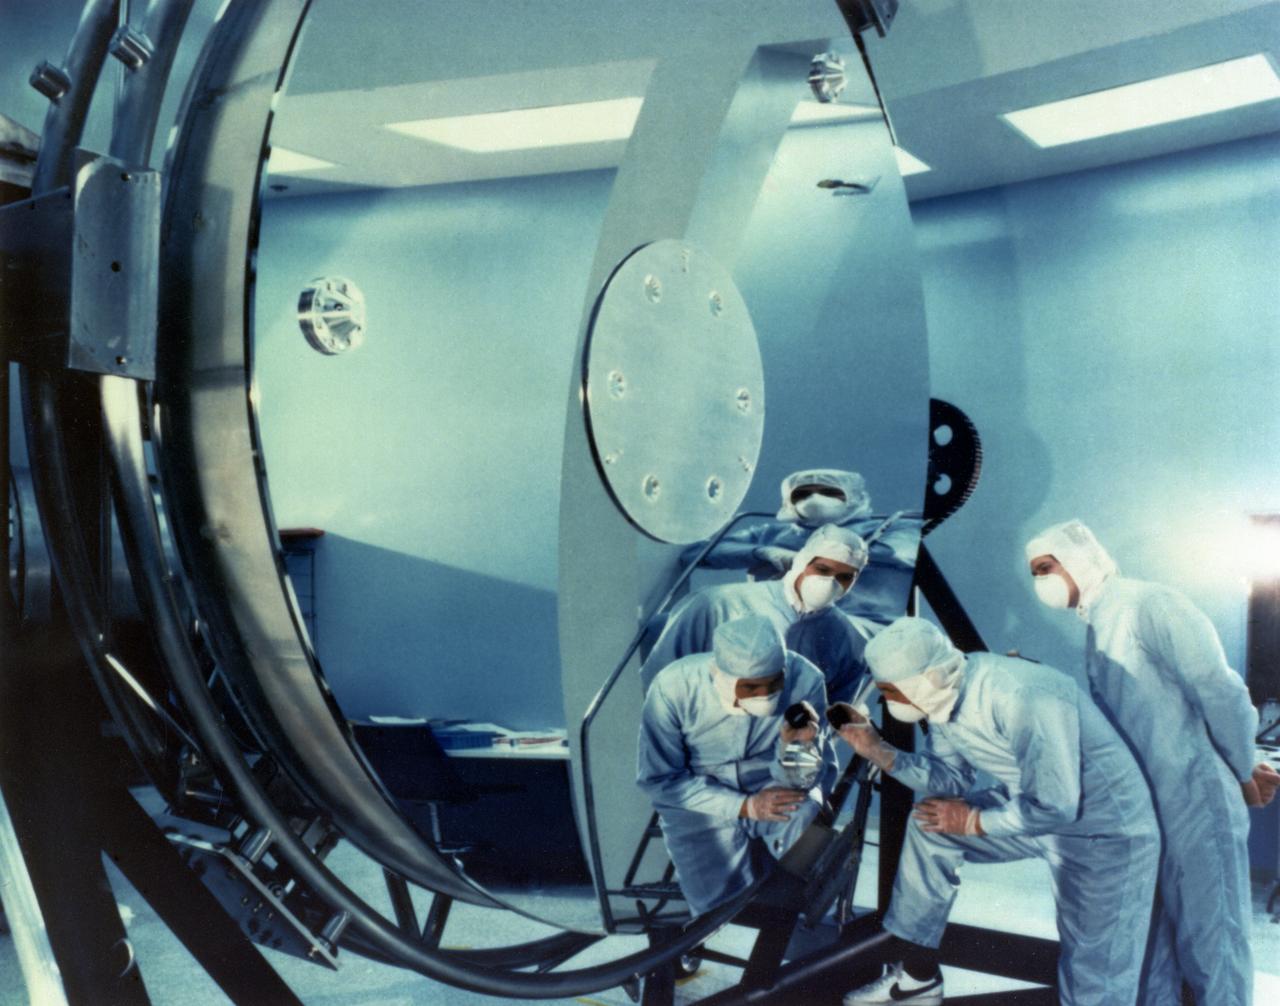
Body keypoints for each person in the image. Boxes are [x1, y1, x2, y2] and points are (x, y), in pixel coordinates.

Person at [837, 616, 1159, 1006]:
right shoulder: (944, 694)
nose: (889, 703)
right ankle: (918, 977)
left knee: (1093, 972)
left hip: (1106, 833)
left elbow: (1057, 803)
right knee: (930, 824)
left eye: (891, 692)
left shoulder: (1020, 695)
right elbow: (950, 780)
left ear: (925, 678)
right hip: (1036, 813)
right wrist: (879, 751)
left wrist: (975, 822)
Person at [1026, 519, 1280, 1005]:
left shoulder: (1148, 604)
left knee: (1215, 946)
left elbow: (1219, 690)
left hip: (1196, 804)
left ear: (1078, 557)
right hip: (1149, 815)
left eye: (1045, 567)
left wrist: (1244, 768)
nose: (1040, 581)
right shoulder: (1099, 627)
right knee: (1153, 950)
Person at [636, 615, 839, 916]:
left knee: (805, 826)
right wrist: (744, 806)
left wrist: (796, 748)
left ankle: (796, 915)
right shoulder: (674, 686)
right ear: (721, 677)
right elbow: (660, 780)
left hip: (771, 778)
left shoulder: (806, 679)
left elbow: (802, 780)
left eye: (774, 683)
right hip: (700, 796)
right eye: (752, 688)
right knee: (716, 911)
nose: (765, 696)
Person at [642, 524, 870, 702]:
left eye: (845, 577)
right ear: (802, 562)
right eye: (822, 569)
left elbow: (829, 719)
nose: (830, 582)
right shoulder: (716, 604)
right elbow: (658, 681)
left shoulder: (850, 640)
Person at [684, 468, 922, 625]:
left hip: (861, 623)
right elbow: (695, 553)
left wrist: (810, 559)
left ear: (854, 497)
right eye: (803, 494)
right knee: (699, 611)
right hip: (779, 620)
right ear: (788, 500)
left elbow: (900, 552)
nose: (815, 499)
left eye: (829, 492)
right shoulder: (772, 534)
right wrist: (762, 552)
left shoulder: (894, 527)